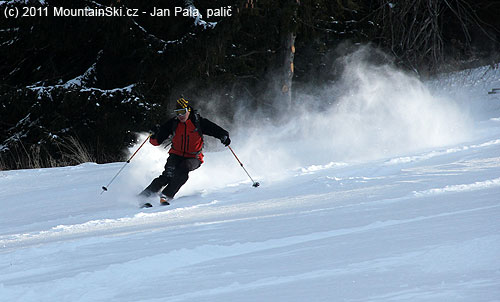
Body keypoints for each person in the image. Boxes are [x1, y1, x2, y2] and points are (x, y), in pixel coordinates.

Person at [139, 97, 230, 207]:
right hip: (175, 155)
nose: (180, 116)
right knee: (168, 175)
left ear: (188, 110)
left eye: (183, 112)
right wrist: (153, 134)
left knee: (183, 169)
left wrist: (224, 136)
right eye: (177, 113)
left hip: (194, 157)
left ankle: (165, 196)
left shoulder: (198, 122)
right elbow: (156, 141)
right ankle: (143, 196)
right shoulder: (173, 123)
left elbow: (215, 130)